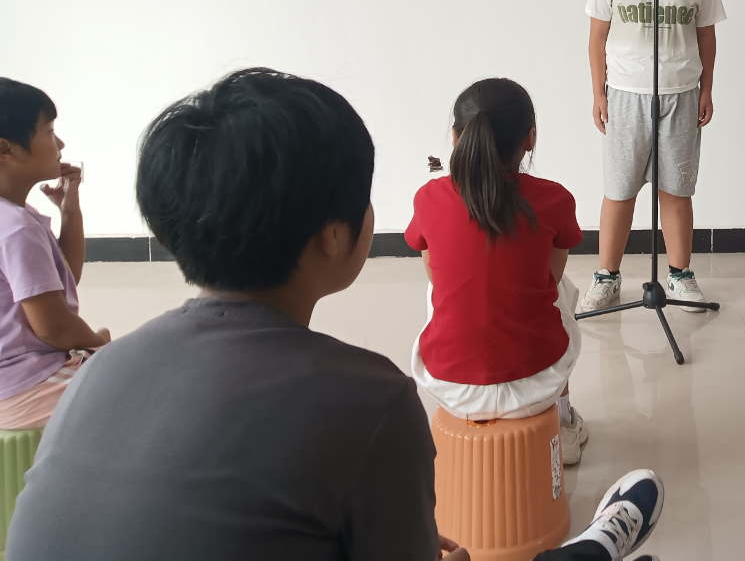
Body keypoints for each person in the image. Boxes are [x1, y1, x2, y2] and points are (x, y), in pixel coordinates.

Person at [5, 69, 664, 561]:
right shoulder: (370, 402)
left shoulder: (101, 373)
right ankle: (594, 546)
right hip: (526, 379)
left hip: (450, 381)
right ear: (332, 235)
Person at [405, 79, 588, 464]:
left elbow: (434, 276)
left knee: (441, 291)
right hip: (538, 385)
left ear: (455, 137)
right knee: (563, 292)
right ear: (530, 139)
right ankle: (565, 425)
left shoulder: (429, 198)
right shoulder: (554, 198)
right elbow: (552, 279)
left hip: (449, 387)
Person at [580, 0, 727, 315]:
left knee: (676, 190)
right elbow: (597, 38)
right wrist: (599, 93)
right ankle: (607, 277)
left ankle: (680, 275)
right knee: (619, 190)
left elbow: (706, 36)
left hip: (681, 93)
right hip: (625, 93)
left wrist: (706, 88)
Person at [0, 78, 108, 430]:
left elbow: (64, 281)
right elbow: (55, 328)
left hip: (13, 378)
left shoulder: (12, 217)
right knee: (146, 379)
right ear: (5, 149)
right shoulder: (16, 228)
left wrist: (69, 211)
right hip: (24, 385)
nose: (60, 144)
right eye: (49, 132)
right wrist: (102, 347)